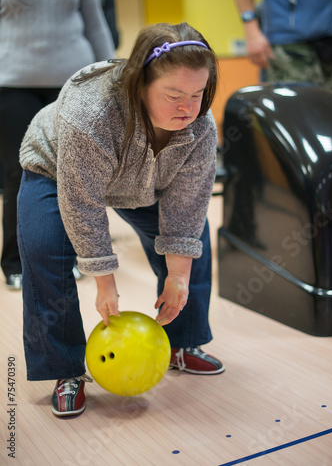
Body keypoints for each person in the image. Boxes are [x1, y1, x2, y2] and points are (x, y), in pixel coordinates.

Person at [17, 21, 225, 418]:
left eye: (198, 94)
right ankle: (66, 370)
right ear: (140, 82)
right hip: (55, 168)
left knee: (191, 244)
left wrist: (177, 277)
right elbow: (83, 204)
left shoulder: (200, 126)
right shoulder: (91, 110)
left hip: (141, 183)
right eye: (174, 94)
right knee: (45, 252)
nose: (188, 107)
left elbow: (188, 209)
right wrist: (105, 284)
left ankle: (183, 343)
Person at [0, 0, 115, 290]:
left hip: (72, 84)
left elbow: (96, 27)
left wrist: (112, 77)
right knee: (18, 175)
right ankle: (15, 261)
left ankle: (67, 260)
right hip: (12, 84)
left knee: (73, 174)